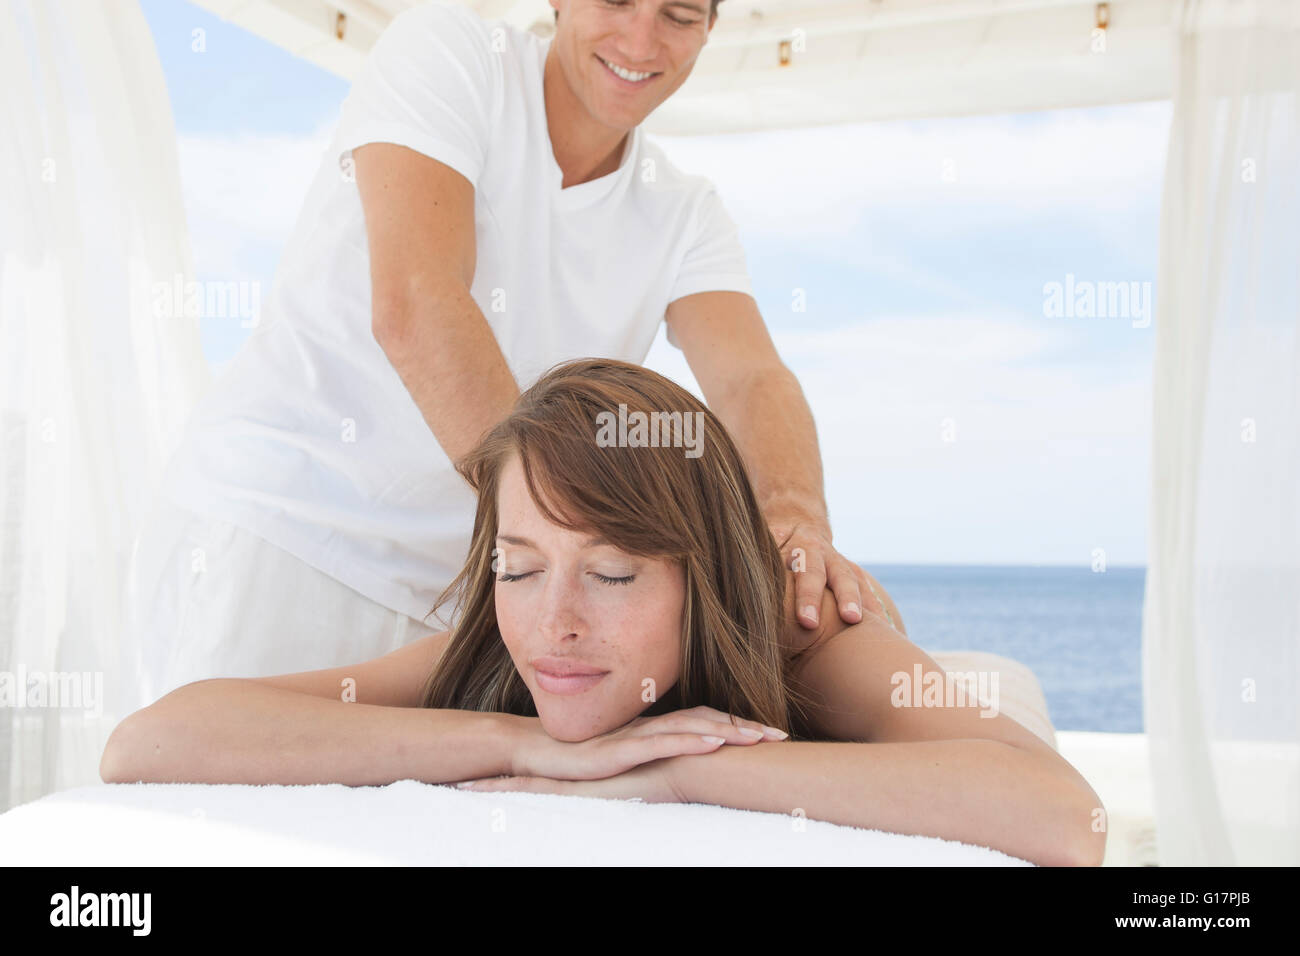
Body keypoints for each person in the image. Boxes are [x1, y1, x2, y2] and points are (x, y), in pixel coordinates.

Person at [117, 0, 884, 720]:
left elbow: (751, 378)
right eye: (616, 1)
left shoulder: (684, 212)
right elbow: (417, 301)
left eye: (679, 14)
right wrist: (575, 545)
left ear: (710, 27)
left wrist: (794, 520)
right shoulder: (451, 52)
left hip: (464, 607)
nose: (641, 41)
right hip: (284, 539)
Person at [102, 358, 1106, 867]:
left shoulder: (806, 636)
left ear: (706, 575)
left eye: (614, 573)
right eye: (520, 564)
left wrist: (672, 767)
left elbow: (1066, 814)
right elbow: (148, 742)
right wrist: (523, 743)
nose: (556, 622)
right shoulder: (510, 644)